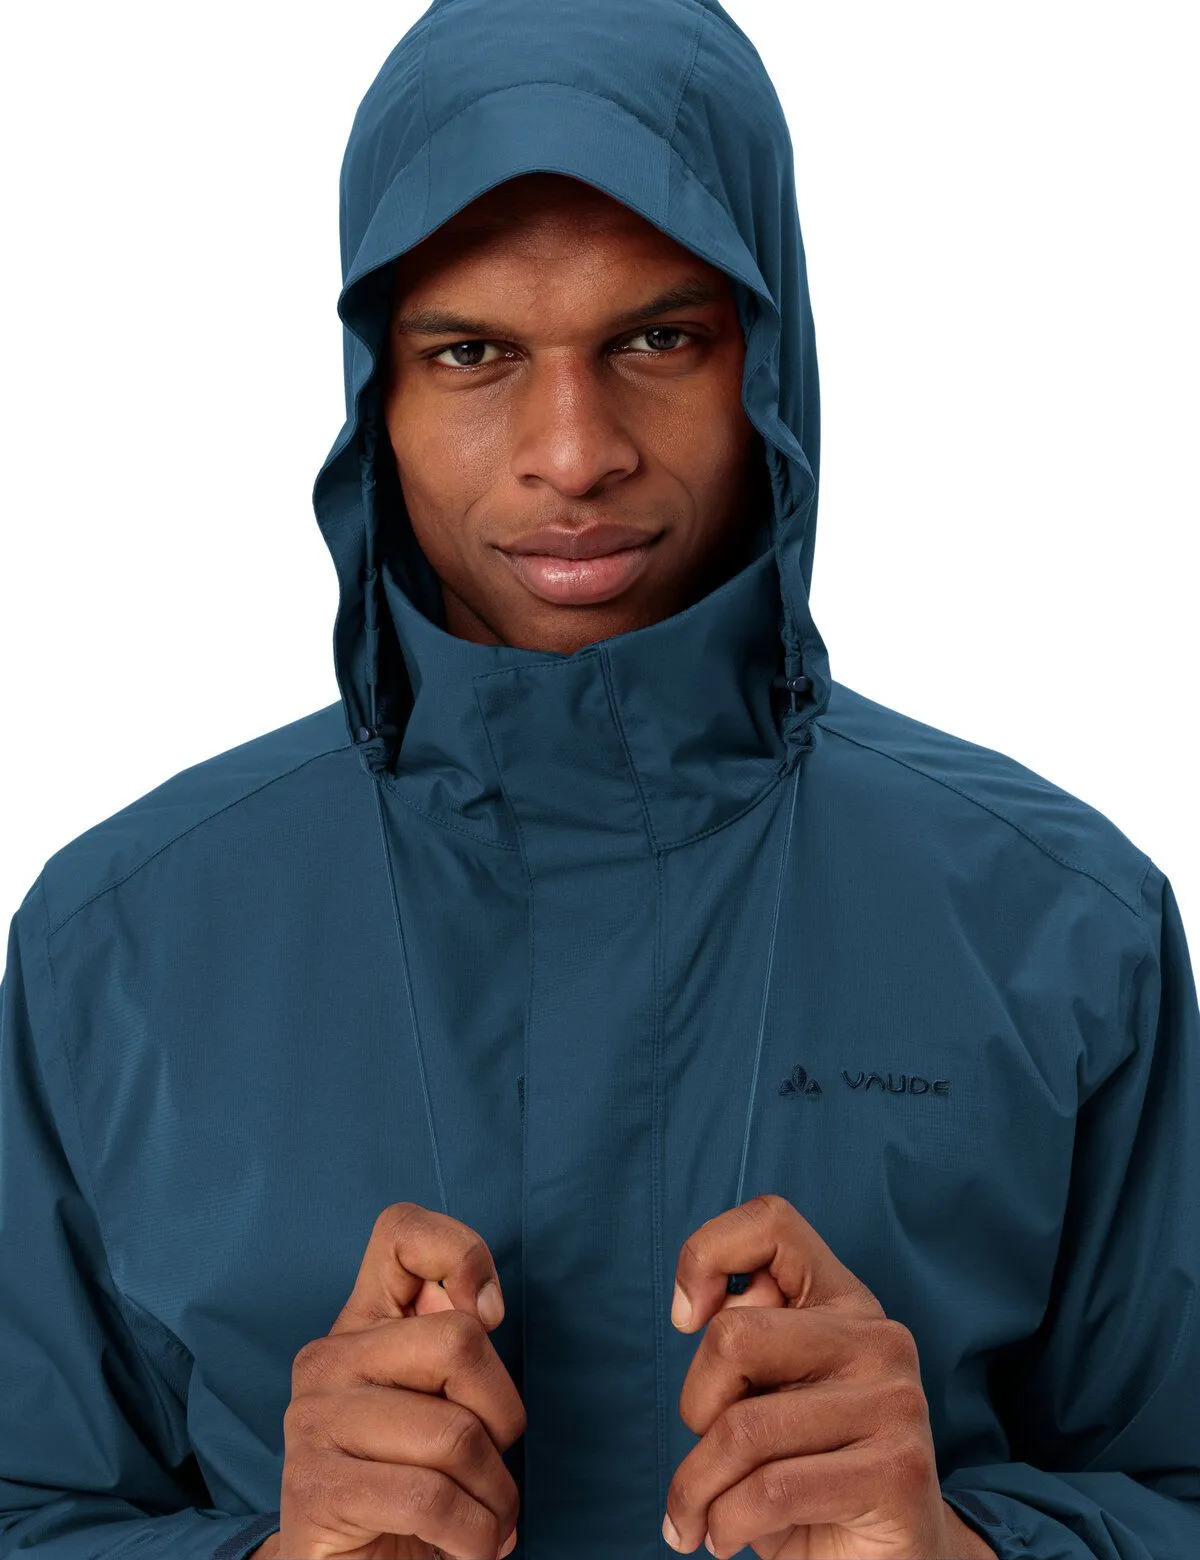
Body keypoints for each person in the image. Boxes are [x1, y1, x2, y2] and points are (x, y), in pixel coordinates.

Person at [1, 0, 1197, 1556]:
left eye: (657, 340)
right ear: (374, 397)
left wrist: (967, 1549)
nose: (573, 454)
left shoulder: (1058, 923)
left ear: (769, 360)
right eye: (473, 352)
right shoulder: (117, 948)